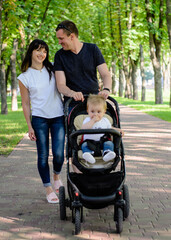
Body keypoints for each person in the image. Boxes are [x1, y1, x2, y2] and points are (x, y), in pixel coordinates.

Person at [18, 39, 65, 204]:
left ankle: (56, 176)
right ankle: (48, 188)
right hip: (39, 119)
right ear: (31, 52)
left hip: (58, 116)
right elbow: (25, 103)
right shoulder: (24, 77)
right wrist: (29, 125)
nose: (41, 54)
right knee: (43, 156)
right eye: (38, 50)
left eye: (44, 51)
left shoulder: (52, 68)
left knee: (59, 154)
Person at [53, 20, 112, 108]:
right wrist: (72, 93)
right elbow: (61, 85)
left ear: (72, 36)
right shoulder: (59, 56)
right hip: (72, 104)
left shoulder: (93, 49)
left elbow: (105, 74)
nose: (59, 42)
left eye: (61, 38)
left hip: (94, 102)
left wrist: (106, 89)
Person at [81, 94, 124, 164]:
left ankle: (107, 153)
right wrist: (92, 121)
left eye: (98, 112)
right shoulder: (87, 120)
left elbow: (110, 128)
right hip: (90, 142)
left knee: (109, 143)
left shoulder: (105, 120)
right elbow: (83, 128)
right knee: (84, 145)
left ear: (104, 112)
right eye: (92, 111)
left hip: (102, 142)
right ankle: (88, 155)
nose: (95, 114)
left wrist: (118, 130)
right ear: (87, 111)